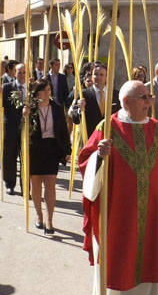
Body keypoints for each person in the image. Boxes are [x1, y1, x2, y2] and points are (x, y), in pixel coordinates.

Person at [78, 80, 158, 295]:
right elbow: (85, 164)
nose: (148, 103)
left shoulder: (155, 129)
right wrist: (99, 156)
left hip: (151, 211)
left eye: (148, 97)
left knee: (149, 256)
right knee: (120, 259)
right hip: (118, 214)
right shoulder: (107, 128)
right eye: (143, 98)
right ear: (126, 102)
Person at [23, 79, 71, 235]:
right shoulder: (30, 109)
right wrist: (25, 117)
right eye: (43, 90)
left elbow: (63, 130)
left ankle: (50, 220)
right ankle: (39, 215)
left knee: (50, 184)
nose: (46, 93)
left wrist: (67, 150)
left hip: (52, 149)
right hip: (35, 148)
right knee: (36, 183)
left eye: (49, 90)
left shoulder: (56, 108)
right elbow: (21, 132)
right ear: (36, 92)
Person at [71, 64, 120, 138]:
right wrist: (80, 109)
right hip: (90, 137)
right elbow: (75, 119)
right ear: (92, 76)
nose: (98, 77)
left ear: (106, 77)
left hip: (111, 137)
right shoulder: (83, 94)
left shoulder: (115, 95)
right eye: (96, 74)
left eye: (101, 75)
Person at [2, 63, 27, 195]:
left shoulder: (32, 88)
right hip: (11, 126)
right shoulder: (7, 88)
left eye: (24, 72)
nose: (22, 75)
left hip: (27, 128)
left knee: (26, 157)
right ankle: (9, 183)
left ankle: (25, 186)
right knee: (9, 156)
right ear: (14, 73)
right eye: (19, 72)